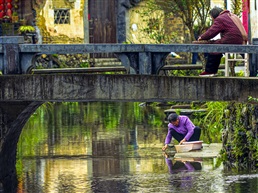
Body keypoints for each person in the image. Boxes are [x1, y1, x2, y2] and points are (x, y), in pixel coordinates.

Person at [198, 7, 248, 77]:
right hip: (241, 39)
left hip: (231, 39)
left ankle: (210, 71)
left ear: (214, 16)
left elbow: (212, 32)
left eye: (211, 17)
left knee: (215, 47)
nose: (212, 19)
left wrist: (202, 37)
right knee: (218, 44)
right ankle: (252, 70)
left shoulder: (220, 19)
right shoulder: (232, 15)